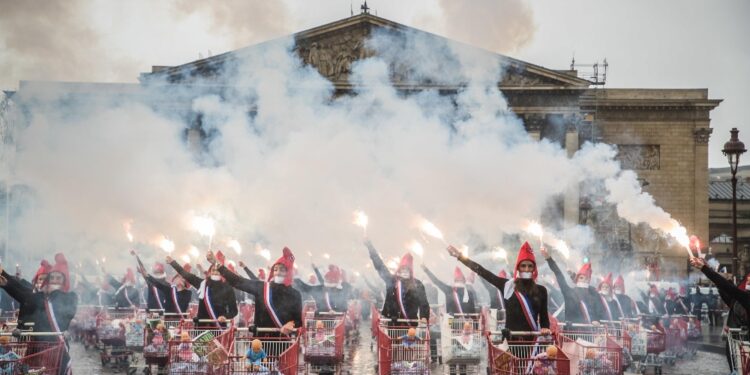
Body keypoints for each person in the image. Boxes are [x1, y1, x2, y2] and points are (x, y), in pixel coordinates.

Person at [0, 253, 77, 375]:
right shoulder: (41, 297)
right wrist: (7, 284)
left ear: (64, 281)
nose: (54, 281)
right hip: (37, 344)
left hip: (56, 346)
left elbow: (68, 311)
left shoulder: (70, 297)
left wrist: (52, 293)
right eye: (52, 278)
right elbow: (25, 295)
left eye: (58, 278)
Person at [451, 242, 550, 337]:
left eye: (530, 266)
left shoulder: (541, 290)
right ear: (518, 268)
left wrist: (545, 327)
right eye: (523, 266)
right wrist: (460, 257)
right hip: (512, 338)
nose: (527, 269)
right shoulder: (507, 285)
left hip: (532, 340)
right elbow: (483, 272)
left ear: (534, 269)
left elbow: (544, 317)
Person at [209, 248, 301, 335]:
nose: (277, 272)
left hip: (282, 342)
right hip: (259, 341)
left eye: (282, 269)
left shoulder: (295, 294)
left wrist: (291, 323)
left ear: (288, 272)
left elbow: (298, 321)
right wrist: (216, 263)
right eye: (275, 269)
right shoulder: (262, 287)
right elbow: (237, 281)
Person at [691, 257, 750, 373]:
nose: (747, 281)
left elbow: (728, 287)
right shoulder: (739, 300)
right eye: (747, 280)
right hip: (737, 351)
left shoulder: (747, 298)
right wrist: (709, 270)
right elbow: (725, 287)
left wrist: (705, 269)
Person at [364, 240, 430, 324]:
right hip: (392, 322)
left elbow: (423, 302)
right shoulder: (392, 281)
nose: (405, 272)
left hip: (410, 324)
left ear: (411, 270)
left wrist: (423, 316)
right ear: (399, 269)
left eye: (407, 269)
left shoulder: (417, 284)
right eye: (403, 269)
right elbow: (380, 266)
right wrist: (370, 246)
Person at [167, 251, 238, 322]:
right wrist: (172, 262)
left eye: (218, 271)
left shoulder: (228, 288)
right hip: (202, 326)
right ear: (209, 272)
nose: (216, 272)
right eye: (213, 270)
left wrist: (225, 317)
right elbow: (186, 274)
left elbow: (234, 311)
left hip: (218, 327)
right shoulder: (202, 284)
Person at [541, 248, 596, 325]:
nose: (584, 280)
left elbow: (595, 312)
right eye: (581, 277)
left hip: (587, 332)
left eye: (587, 278)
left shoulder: (591, 294)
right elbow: (558, 273)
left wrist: (595, 320)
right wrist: (549, 259)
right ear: (577, 279)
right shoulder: (569, 292)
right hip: (571, 331)